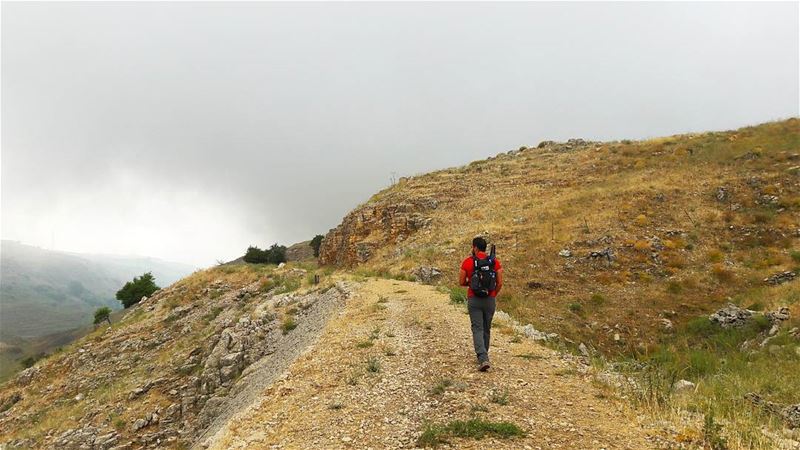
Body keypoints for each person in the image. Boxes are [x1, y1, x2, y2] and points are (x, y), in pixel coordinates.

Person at [459, 237, 503, 371]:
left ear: (475, 247)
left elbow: (461, 282)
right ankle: (484, 354)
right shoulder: (494, 262)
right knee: (486, 327)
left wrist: (472, 284)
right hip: (490, 299)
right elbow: (500, 282)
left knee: (477, 328)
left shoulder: (467, 262)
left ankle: (483, 357)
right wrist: (492, 293)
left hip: (474, 299)